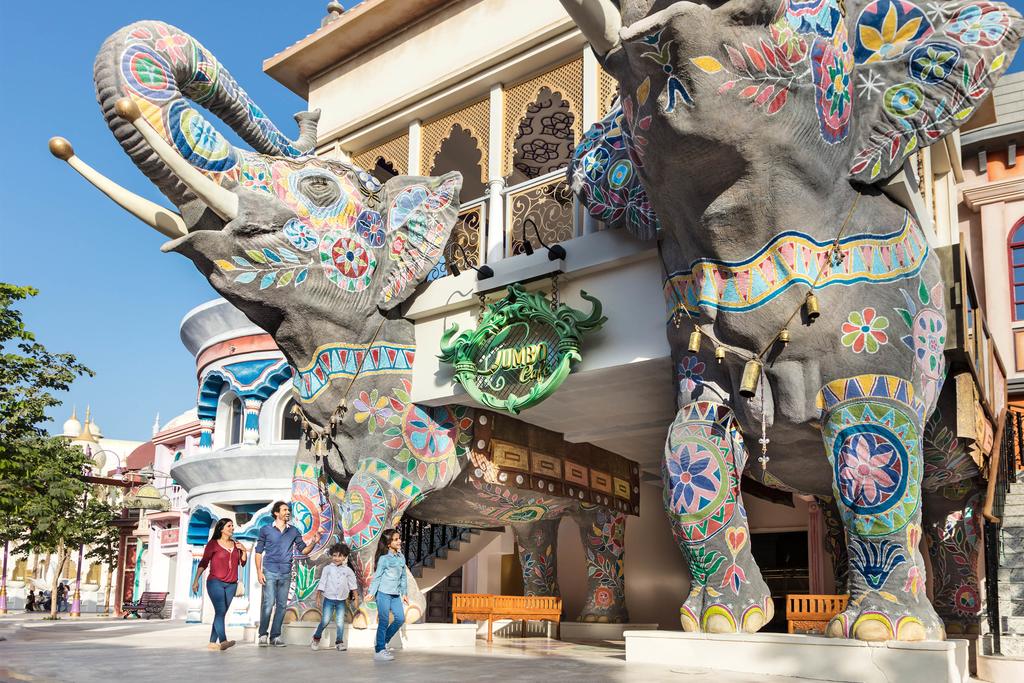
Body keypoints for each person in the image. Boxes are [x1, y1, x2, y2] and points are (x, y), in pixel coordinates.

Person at [254, 501, 321, 647]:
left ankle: (275, 636)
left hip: (286, 572)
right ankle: (263, 634)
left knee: (282, 606)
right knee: (268, 603)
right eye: (284, 510)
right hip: (269, 571)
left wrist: (314, 542)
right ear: (276, 513)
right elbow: (258, 552)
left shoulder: (294, 531)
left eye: (288, 510)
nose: (288, 512)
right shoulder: (265, 530)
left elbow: (303, 550)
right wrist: (259, 571)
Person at [192, 518, 248, 651]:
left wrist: (244, 551)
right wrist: (196, 580)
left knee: (220, 613)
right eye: (229, 526)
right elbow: (204, 562)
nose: (232, 528)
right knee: (220, 611)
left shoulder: (236, 544)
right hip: (215, 582)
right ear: (221, 529)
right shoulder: (213, 544)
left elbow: (243, 563)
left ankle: (212, 642)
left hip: (231, 584)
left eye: (232, 526)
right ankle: (223, 641)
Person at [368, 529, 408, 662]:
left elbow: (403, 577)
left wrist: (404, 593)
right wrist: (371, 593)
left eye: (399, 538)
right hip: (383, 593)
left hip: (395, 594)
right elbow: (377, 577)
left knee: (400, 619)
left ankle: (383, 641)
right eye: (396, 539)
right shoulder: (384, 559)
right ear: (388, 543)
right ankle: (379, 650)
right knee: (384, 621)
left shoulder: (401, 557)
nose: (399, 541)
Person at [311, 542, 359, 652]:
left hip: (341, 600)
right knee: (325, 620)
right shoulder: (327, 569)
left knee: (340, 622)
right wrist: (318, 596)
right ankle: (316, 638)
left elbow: (353, 585)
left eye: (340, 556)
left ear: (345, 557)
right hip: (329, 599)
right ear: (331, 555)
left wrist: (356, 598)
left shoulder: (348, 570)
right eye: (334, 555)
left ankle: (339, 642)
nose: (337, 558)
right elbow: (322, 583)